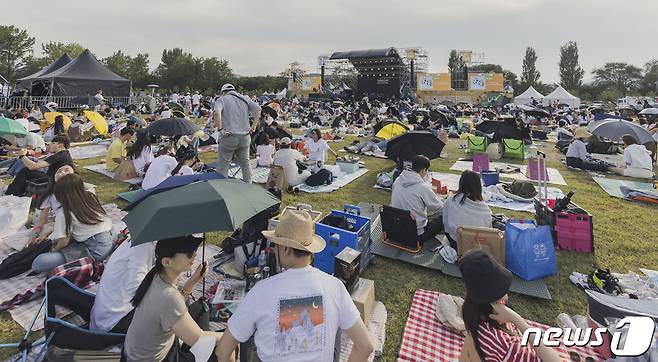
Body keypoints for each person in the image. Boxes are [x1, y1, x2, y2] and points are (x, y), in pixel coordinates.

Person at [216, 210, 374, 362]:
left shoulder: (260, 291)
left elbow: (223, 350)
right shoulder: (335, 287)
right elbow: (365, 347)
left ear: (285, 249)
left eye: (276, 245)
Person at [123, 236, 224, 361]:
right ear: (166, 262)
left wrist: (194, 279)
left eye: (194, 249)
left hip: (133, 355)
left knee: (200, 309)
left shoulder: (155, 277)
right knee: (225, 348)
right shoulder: (168, 296)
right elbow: (198, 340)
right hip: (158, 358)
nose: (194, 254)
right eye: (188, 252)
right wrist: (229, 336)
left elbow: (171, 308)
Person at [458, 249, 560, 362]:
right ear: (495, 302)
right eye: (503, 292)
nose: (506, 297)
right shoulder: (503, 344)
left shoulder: (472, 314)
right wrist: (516, 319)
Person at [32, 174, 114, 273]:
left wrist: (54, 250)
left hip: (95, 250)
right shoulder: (90, 196)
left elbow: (63, 242)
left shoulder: (64, 214)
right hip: (111, 236)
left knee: (39, 263)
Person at [214, 83, 262, 183]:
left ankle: (222, 187)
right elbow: (258, 109)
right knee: (245, 162)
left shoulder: (221, 99)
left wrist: (220, 129)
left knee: (224, 164)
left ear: (223, 92)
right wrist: (253, 126)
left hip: (229, 136)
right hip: (245, 136)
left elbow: (217, 112)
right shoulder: (244, 98)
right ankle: (248, 185)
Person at [391, 155, 444, 242]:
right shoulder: (422, 187)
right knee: (442, 216)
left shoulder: (398, 180)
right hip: (415, 234)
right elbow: (438, 207)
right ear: (424, 170)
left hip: (397, 227)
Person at [5, 134, 73, 196]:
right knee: (27, 168)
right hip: (54, 179)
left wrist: (22, 156)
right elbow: (39, 163)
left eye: (53, 143)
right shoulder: (63, 154)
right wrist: (28, 154)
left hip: (55, 182)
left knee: (26, 171)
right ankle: (14, 191)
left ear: (60, 145)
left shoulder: (59, 156)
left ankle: (12, 193)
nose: (49, 145)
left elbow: (32, 167)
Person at [442, 171, 493, 250]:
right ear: (478, 186)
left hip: (455, 243)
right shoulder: (485, 209)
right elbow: (488, 231)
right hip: (477, 247)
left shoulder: (451, 200)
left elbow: (445, 223)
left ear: (461, 183)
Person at [27, 164, 76, 246]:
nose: (62, 173)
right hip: (61, 226)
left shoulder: (80, 192)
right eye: (59, 171)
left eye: (66, 170)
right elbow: (41, 222)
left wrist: (51, 231)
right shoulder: (50, 196)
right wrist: (33, 236)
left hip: (75, 228)